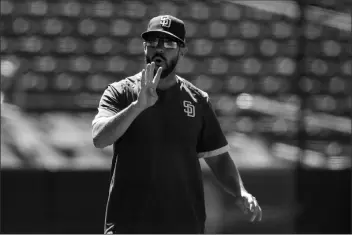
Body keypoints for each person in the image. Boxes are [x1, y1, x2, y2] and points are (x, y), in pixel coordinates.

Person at [92, 15, 262, 234]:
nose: (159, 49)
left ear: (182, 50)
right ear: (145, 47)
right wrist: (137, 106)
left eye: (169, 43)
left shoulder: (197, 100)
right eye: (153, 42)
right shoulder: (120, 92)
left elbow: (218, 158)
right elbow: (99, 138)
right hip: (129, 225)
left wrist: (241, 192)